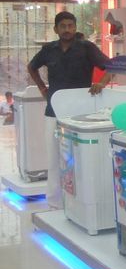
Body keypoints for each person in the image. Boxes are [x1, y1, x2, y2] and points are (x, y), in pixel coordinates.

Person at [27, 11, 114, 209]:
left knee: (81, 157)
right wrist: (42, 88)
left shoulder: (86, 48)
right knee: (53, 157)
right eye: (63, 26)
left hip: (80, 113)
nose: (67, 29)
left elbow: (111, 66)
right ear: (56, 29)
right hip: (54, 111)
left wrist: (101, 83)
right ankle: (54, 203)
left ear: (75, 27)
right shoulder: (48, 50)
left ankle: (81, 204)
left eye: (70, 26)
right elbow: (31, 67)